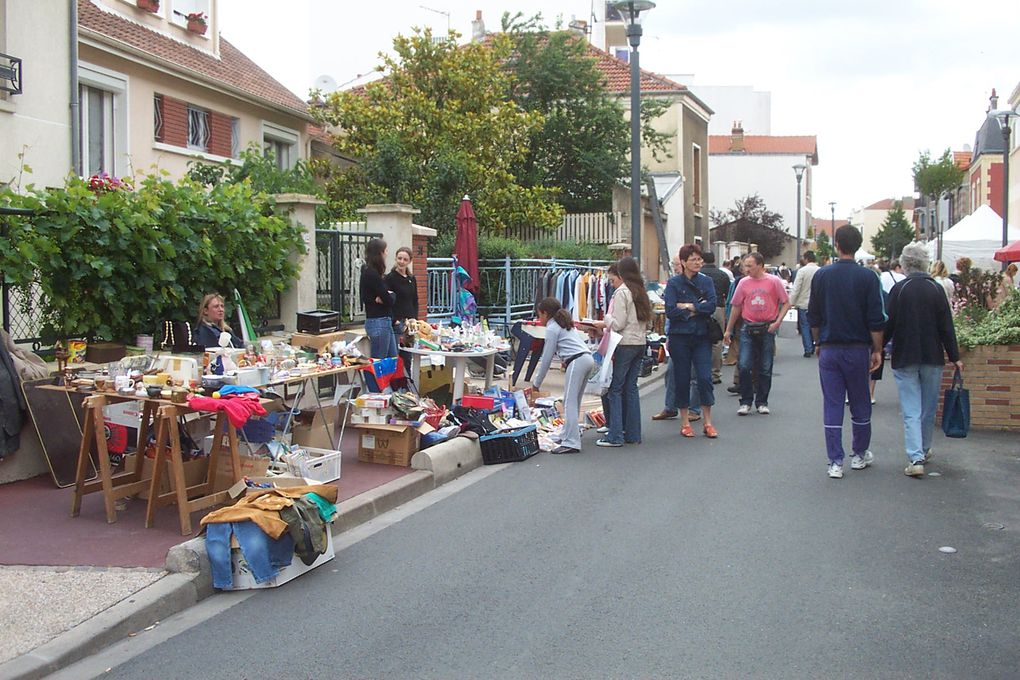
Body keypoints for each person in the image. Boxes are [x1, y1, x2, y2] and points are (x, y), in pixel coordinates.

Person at [808, 225, 886, 479]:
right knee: (860, 400)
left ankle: (835, 461)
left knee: (832, 402)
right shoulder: (868, 277)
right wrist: (877, 349)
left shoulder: (822, 275)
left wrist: (818, 342)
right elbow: (876, 318)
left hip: (830, 347)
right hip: (857, 348)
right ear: (858, 245)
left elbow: (814, 315)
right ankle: (859, 453)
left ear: (837, 245)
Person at [885, 242, 962, 477]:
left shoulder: (900, 290)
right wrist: (955, 356)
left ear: (905, 264)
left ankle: (915, 456)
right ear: (925, 263)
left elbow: (889, 324)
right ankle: (925, 448)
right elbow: (946, 327)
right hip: (932, 355)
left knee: (911, 409)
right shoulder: (936, 289)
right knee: (928, 407)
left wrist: (876, 349)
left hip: (905, 354)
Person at [722, 252, 791, 416]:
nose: (746, 269)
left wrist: (778, 322)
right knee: (744, 365)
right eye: (745, 266)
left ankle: (762, 401)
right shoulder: (743, 283)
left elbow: (786, 302)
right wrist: (728, 330)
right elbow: (736, 306)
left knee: (765, 367)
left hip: (767, 327)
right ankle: (746, 400)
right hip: (748, 326)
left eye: (750, 266)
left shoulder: (774, 282)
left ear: (760, 265)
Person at [593, 257, 651, 447]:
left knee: (615, 389)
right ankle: (633, 434)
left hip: (624, 343)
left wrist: (607, 318)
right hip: (640, 343)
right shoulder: (641, 292)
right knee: (631, 388)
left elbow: (618, 323)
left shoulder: (622, 293)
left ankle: (615, 435)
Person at [663, 244, 718, 438]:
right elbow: (670, 310)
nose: (698, 263)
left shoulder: (707, 282)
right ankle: (685, 421)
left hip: (702, 336)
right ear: (684, 262)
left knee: (704, 377)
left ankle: (708, 421)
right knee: (682, 377)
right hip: (680, 337)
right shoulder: (673, 283)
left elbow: (711, 305)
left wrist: (687, 306)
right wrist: (696, 308)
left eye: (699, 259)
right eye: (693, 259)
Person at [529, 298, 596, 454]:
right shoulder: (563, 323)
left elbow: (547, 357)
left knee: (569, 402)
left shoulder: (552, 328)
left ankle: (571, 442)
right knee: (574, 400)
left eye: (540, 315)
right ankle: (567, 433)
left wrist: (537, 382)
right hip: (586, 358)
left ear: (546, 313)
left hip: (576, 361)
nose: (539, 319)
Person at [652, 254, 685, 422]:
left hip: (688, 334)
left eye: (676, 264)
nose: (675, 267)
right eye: (674, 264)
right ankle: (670, 407)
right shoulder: (673, 283)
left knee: (692, 374)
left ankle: (693, 409)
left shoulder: (694, 283)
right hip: (674, 333)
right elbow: (670, 310)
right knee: (671, 373)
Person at [360, 238, 397, 361]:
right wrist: (387, 296)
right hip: (378, 321)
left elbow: (388, 297)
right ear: (380, 253)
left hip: (384, 320)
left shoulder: (374, 272)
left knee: (392, 359)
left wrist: (388, 296)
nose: (387, 253)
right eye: (385, 250)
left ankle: (387, 381)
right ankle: (373, 380)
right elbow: (388, 299)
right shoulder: (371, 273)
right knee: (378, 361)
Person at [699, 252, 731, 385]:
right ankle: (715, 373)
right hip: (718, 307)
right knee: (717, 340)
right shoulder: (722, 275)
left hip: (700, 308)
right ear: (715, 259)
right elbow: (728, 293)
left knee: (700, 339)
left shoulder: (698, 274)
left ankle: (701, 371)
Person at [788, 251, 819, 357]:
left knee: (805, 326)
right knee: (815, 325)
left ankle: (808, 348)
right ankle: (816, 344)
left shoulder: (802, 271)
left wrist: (791, 302)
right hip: (817, 304)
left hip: (804, 303)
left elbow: (796, 288)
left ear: (806, 259)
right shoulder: (821, 271)